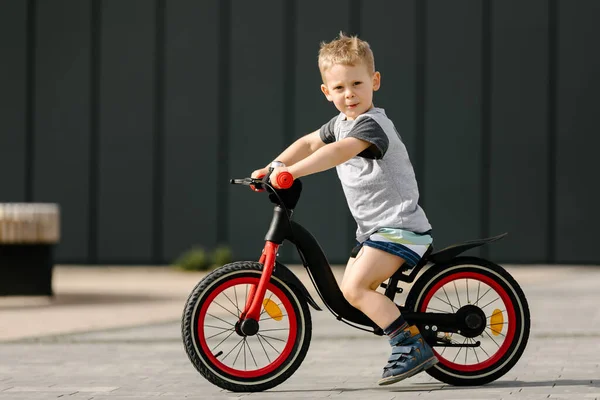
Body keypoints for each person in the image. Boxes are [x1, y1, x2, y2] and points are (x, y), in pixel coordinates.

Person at [251, 32, 438, 386]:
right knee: (350, 292)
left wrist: (292, 172)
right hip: (375, 231)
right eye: (339, 88)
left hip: (400, 227)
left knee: (354, 289)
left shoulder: (372, 125)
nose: (349, 94)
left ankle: (409, 343)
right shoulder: (340, 123)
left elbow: (336, 152)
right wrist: (274, 165)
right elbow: (309, 142)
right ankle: (397, 323)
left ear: (375, 82)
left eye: (357, 83)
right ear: (327, 92)